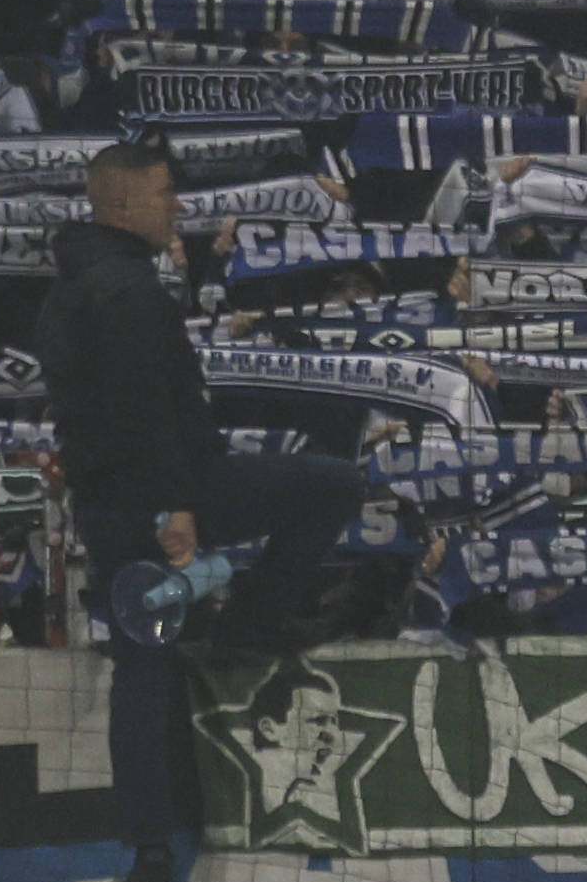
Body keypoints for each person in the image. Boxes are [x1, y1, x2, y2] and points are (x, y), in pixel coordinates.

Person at [45, 136, 365, 636]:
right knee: (337, 484)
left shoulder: (77, 285)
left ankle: (234, 635)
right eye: (166, 192)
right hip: (154, 503)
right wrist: (177, 506)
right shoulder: (127, 292)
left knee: (157, 661)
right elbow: (144, 413)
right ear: (123, 205)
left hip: (110, 506)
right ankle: (250, 629)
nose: (179, 205)